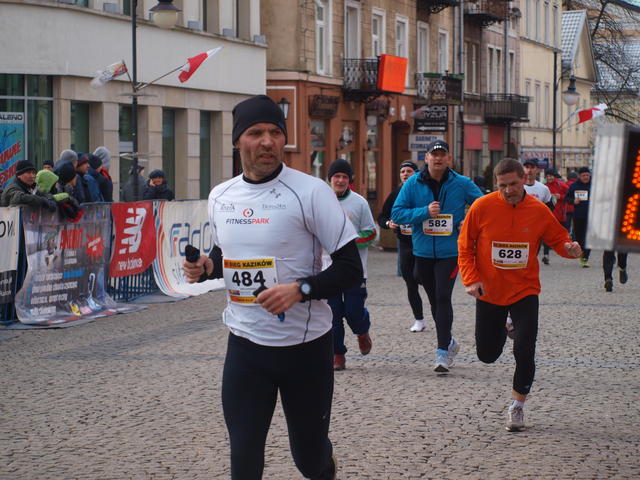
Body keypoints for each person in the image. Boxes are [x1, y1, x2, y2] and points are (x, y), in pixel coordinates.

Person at [182, 94, 362, 479]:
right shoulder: (221, 196)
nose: (267, 141)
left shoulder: (311, 192)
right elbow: (227, 255)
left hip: (305, 348)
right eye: (255, 133)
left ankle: (323, 465)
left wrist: (300, 290)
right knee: (244, 458)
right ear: (237, 141)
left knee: (309, 460)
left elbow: (350, 269)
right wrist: (207, 267)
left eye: (275, 132)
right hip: (246, 346)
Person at [458, 158, 582, 432]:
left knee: (524, 349)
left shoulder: (538, 210)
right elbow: (465, 247)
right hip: (490, 291)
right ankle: (504, 326)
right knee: (487, 354)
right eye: (502, 185)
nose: (508, 190)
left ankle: (517, 406)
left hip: (525, 290)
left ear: (523, 180)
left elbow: (559, 239)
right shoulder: (482, 207)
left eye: (513, 184)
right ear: (496, 184)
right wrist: (471, 279)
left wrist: (570, 249)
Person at [392, 140, 483, 374]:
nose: (439, 158)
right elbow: (397, 214)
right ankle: (449, 340)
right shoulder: (412, 183)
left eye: (443, 154)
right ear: (427, 158)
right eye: (434, 155)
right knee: (434, 300)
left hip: (450, 252)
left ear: (448, 159)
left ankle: (442, 352)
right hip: (422, 253)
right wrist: (424, 212)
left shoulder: (461, 183)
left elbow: (483, 206)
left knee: (443, 297)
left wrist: (468, 222)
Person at [325, 158, 375, 371]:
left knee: (353, 312)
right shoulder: (320, 201)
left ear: (349, 180)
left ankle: (362, 332)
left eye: (344, 177)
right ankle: (338, 354)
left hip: (355, 268)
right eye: (336, 176)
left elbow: (371, 233)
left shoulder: (359, 202)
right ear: (330, 179)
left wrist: (350, 242)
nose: (340, 180)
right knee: (332, 314)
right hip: (328, 269)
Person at [378, 161, 426, 332]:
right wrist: (388, 223)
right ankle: (419, 320)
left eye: (409, 171)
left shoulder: (423, 192)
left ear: (416, 174)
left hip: (423, 243)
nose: (405, 174)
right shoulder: (395, 194)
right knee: (410, 282)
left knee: (421, 277)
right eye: (402, 171)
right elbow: (382, 217)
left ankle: (439, 314)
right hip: (405, 244)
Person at [541, 168, 569, 265]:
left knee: (561, 235)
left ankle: (564, 251)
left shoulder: (561, 185)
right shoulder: (544, 187)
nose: (549, 178)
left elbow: (570, 195)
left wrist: (561, 196)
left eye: (551, 176)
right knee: (546, 235)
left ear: (554, 176)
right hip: (548, 215)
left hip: (560, 215)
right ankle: (546, 255)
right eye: (547, 176)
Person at [565, 167, 591, 267]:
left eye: (587, 175)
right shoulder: (574, 186)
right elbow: (567, 198)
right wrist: (573, 201)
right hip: (578, 216)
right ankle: (582, 254)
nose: (586, 177)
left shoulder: (594, 185)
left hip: (591, 216)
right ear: (579, 176)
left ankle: (585, 257)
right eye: (583, 175)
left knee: (588, 237)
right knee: (580, 238)